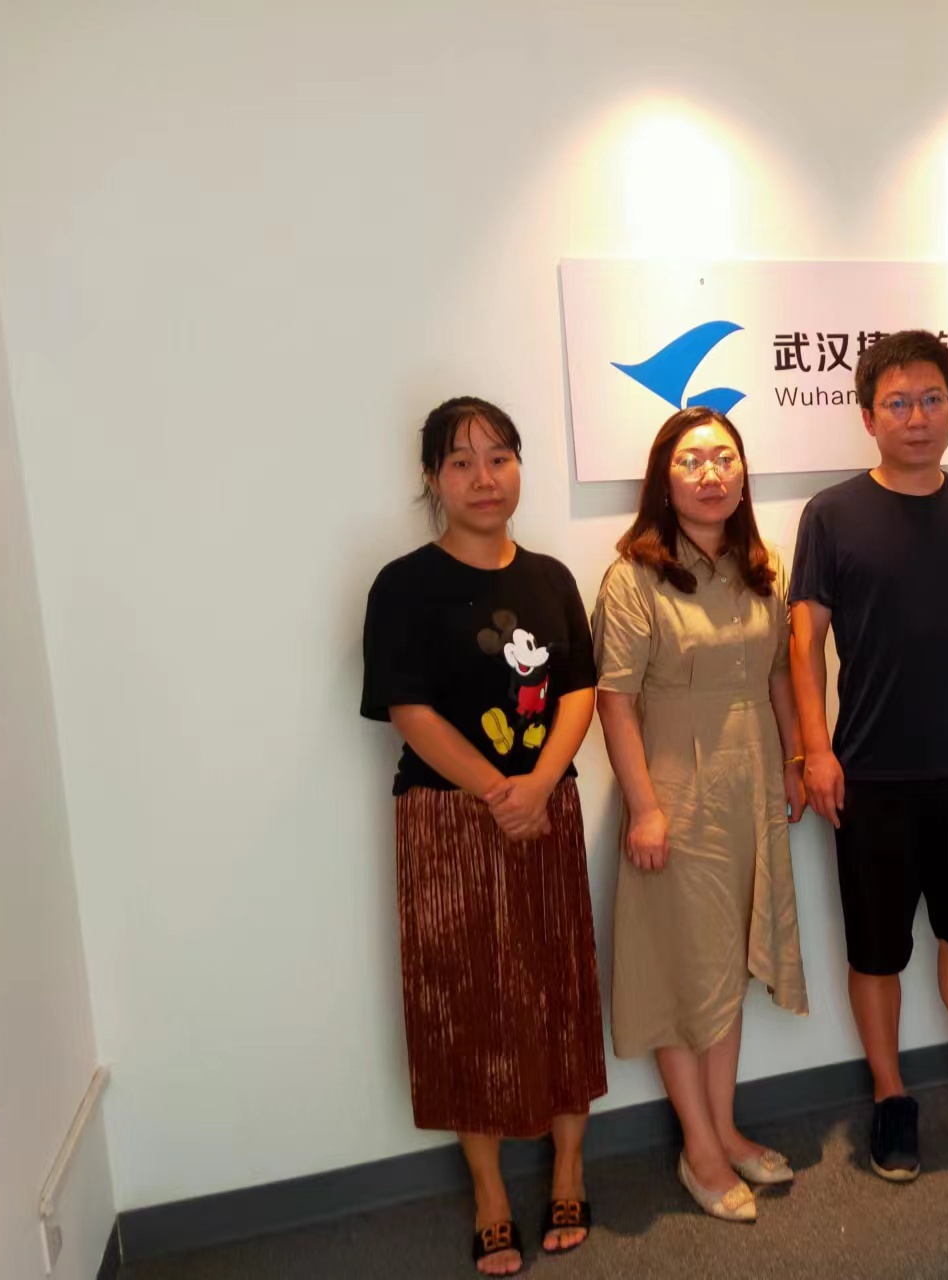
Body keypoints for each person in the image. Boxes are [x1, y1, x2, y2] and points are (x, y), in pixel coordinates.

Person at [789, 329, 948, 1182]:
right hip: (868, 772)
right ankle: (892, 1096)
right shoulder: (831, 513)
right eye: (897, 402)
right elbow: (804, 643)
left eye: (932, 399)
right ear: (868, 417)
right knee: (877, 950)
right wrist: (815, 750)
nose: (916, 416)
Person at [360, 397, 604, 1274]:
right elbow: (409, 711)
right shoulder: (403, 585)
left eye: (499, 457)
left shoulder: (549, 578)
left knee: (561, 987)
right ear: (433, 478)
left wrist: (536, 787)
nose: (483, 477)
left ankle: (569, 1166)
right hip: (446, 819)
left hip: (547, 809)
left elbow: (578, 689)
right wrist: (500, 792)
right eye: (461, 462)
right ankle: (490, 1192)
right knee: (466, 1003)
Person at [593, 407, 809, 1222]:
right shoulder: (633, 577)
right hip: (677, 794)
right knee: (683, 970)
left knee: (725, 966)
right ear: (663, 479)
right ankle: (700, 1147)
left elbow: (779, 676)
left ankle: (724, 1126)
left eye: (724, 457)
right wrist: (645, 810)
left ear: (744, 474)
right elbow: (615, 702)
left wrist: (794, 759)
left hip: (749, 786)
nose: (711, 474)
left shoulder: (763, 565)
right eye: (691, 461)